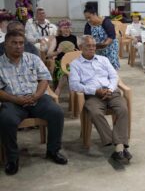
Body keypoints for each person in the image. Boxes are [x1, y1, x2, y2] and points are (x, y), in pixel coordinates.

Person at [0, 30, 67, 175]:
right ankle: (12, 159)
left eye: (21, 43)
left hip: (37, 98)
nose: (18, 46)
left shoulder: (33, 58)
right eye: (14, 43)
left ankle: (53, 151)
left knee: (57, 113)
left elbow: (44, 79)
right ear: (6, 45)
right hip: (12, 101)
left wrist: (36, 96)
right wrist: (16, 99)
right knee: (6, 119)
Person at [69, 35, 131, 162]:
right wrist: (95, 91)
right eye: (88, 46)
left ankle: (118, 148)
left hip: (110, 92)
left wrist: (110, 89)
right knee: (95, 112)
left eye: (93, 45)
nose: (92, 48)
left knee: (123, 109)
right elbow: (74, 85)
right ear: (81, 47)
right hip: (93, 96)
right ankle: (118, 145)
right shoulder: (75, 64)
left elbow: (114, 76)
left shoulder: (103, 59)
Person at [47, 19, 79, 96]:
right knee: (64, 72)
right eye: (64, 27)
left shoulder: (75, 38)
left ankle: (58, 91)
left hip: (73, 63)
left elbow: (81, 52)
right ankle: (57, 92)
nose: (66, 29)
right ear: (60, 29)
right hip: (60, 63)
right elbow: (48, 54)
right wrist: (57, 52)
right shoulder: (57, 39)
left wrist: (76, 51)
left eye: (68, 27)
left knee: (69, 71)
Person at [83, 4, 120, 70]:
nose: (88, 20)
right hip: (97, 48)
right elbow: (87, 37)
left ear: (95, 14)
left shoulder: (106, 22)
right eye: (86, 18)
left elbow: (111, 36)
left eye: (89, 17)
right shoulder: (88, 25)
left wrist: (104, 44)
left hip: (110, 48)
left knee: (111, 67)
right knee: (100, 67)